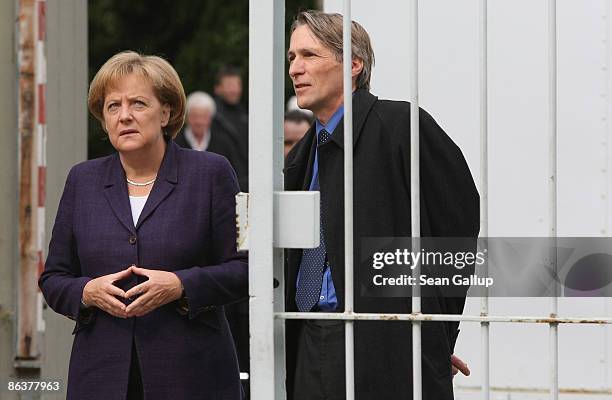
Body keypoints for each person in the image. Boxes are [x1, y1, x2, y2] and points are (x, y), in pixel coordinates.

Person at [284, 10, 479, 400]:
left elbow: (455, 230)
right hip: (306, 336)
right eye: (291, 57)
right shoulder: (302, 153)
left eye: (309, 56)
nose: (295, 69)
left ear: (353, 65)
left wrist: (437, 334)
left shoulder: (402, 125)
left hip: (386, 340)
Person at [39, 51, 247, 400]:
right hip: (101, 378)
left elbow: (246, 269)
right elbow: (54, 278)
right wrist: (87, 292)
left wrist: (181, 284)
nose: (124, 116)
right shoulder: (82, 180)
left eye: (138, 103)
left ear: (166, 112)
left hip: (193, 377)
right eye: (113, 106)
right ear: (103, 119)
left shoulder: (211, 173)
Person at [175, 91, 246, 188]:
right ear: (187, 118)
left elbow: (236, 175)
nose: (199, 122)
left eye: (203, 117)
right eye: (195, 116)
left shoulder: (223, 143)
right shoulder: (175, 143)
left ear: (210, 118)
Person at [214, 66, 249, 191]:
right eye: (229, 85)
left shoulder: (245, 115)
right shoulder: (212, 118)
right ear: (218, 89)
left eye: (237, 85)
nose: (234, 90)